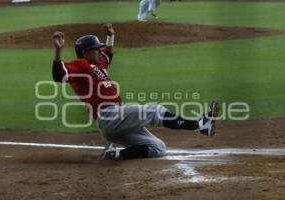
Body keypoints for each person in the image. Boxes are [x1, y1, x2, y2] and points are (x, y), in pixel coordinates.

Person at [52, 24, 219, 160]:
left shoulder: (99, 65)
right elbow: (59, 75)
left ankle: (116, 154)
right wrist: (58, 51)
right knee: (154, 110)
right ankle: (199, 125)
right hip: (108, 117)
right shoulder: (80, 65)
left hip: (118, 123)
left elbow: (109, 54)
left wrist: (111, 34)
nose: (100, 51)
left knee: (158, 147)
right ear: (85, 52)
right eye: (96, 49)